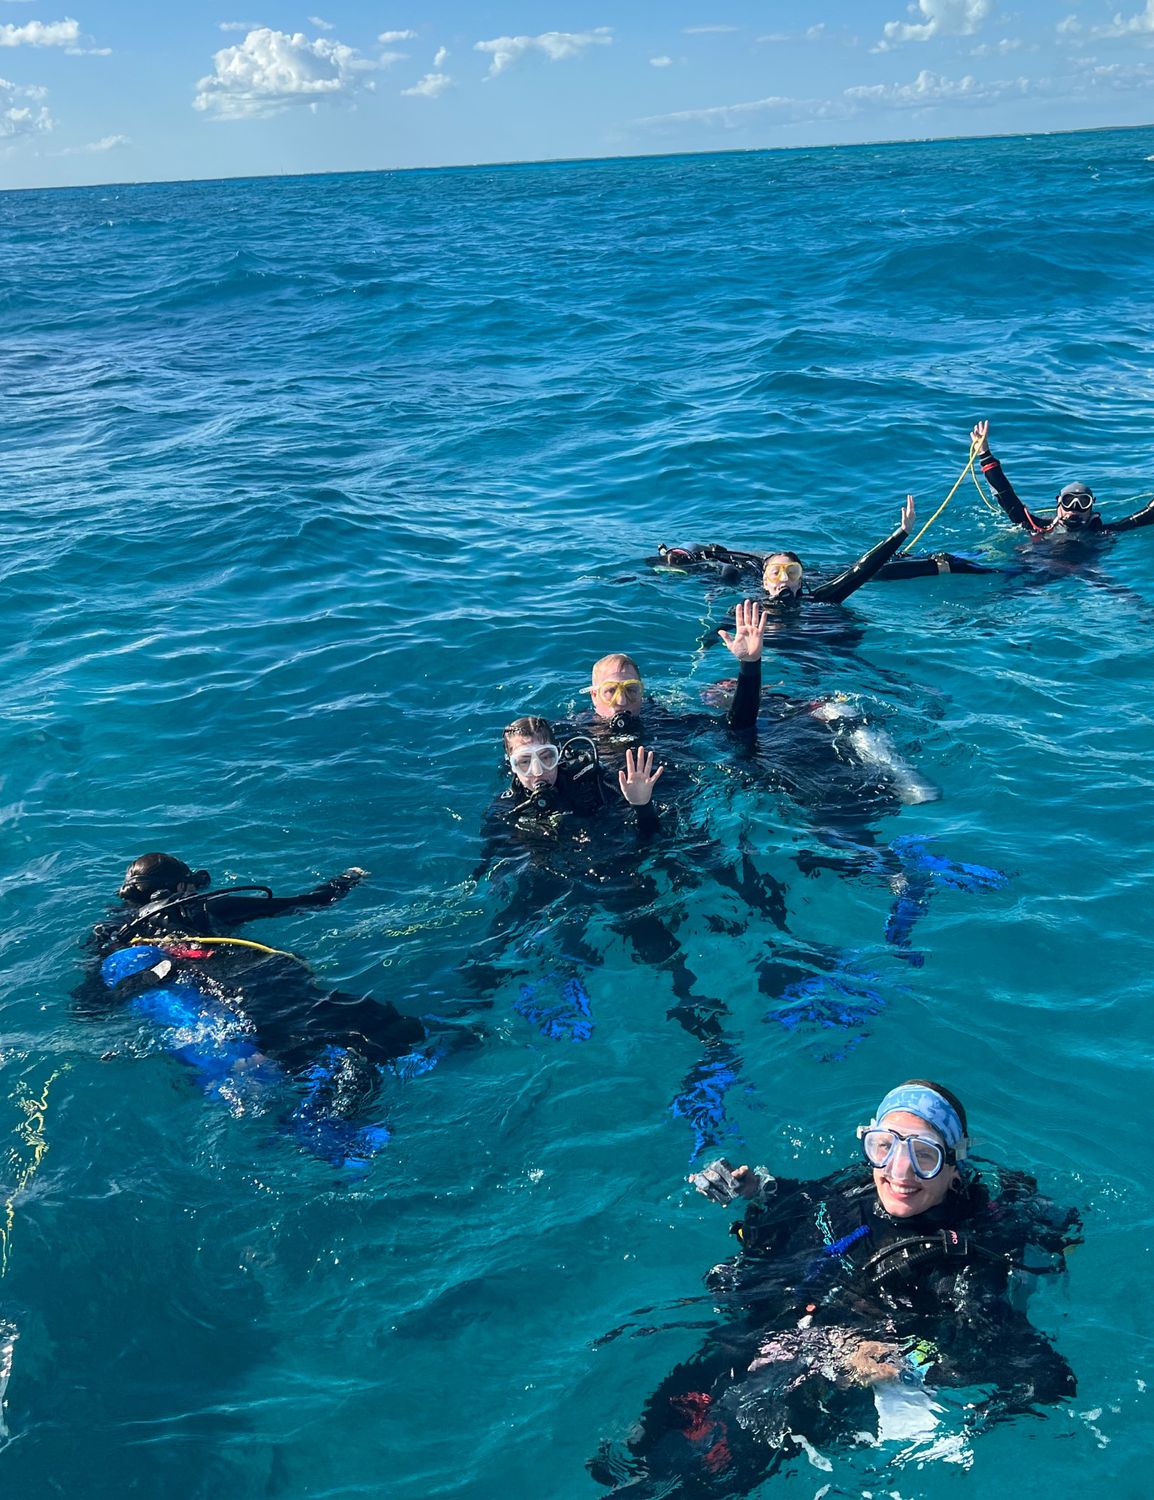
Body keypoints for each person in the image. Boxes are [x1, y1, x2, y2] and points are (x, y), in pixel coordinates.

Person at [592, 1079, 1080, 1495]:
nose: (899, 1171)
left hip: (821, 1376)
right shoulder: (856, 1186)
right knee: (636, 1449)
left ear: (953, 1164)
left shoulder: (964, 1264)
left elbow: (1037, 1373)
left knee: (697, 1476)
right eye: (885, 1147)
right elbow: (808, 1197)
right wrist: (756, 1189)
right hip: (767, 1329)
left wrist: (892, 1360)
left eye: (925, 1156)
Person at [474, 688, 785, 1151]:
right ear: (511, 767)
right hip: (552, 881)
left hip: (610, 872)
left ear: (561, 754)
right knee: (498, 942)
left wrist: (641, 805)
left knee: (661, 951)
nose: (538, 771)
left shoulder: (595, 785)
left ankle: (710, 1039)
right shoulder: (503, 812)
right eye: (524, 763)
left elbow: (646, 843)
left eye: (546, 757)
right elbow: (493, 866)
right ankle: (471, 1021)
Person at [77, 853, 448, 1166]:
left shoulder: (114, 935)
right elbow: (307, 901)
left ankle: (312, 1130)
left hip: (223, 1000)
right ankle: (361, 1118)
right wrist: (348, 880)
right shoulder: (200, 905)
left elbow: (90, 1005)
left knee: (294, 1053)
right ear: (182, 887)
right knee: (382, 1030)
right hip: (269, 978)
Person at [973, 419, 1154, 537]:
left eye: (1083, 502)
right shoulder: (1038, 527)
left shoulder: (1102, 533)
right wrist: (984, 454)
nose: (1074, 508)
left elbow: (1145, 516)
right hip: (1035, 571)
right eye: (1069, 501)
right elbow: (1006, 497)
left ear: (1091, 507)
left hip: (1085, 575)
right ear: (1058, 503)